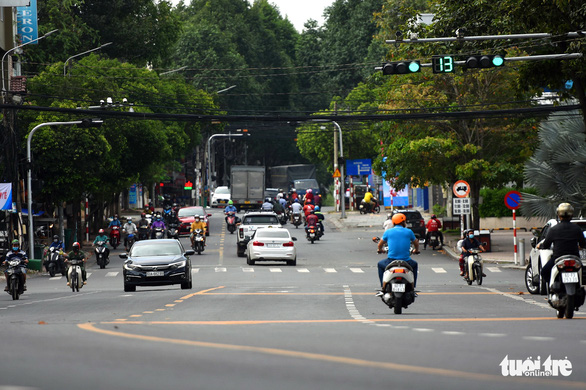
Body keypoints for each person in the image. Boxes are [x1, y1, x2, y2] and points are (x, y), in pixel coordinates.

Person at [537, 203, 586, 295]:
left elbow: (546, 244)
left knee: (544, 272)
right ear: (571, 215)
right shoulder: (577, 229)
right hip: (574, 257)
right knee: (582, 272)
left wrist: (541, 246)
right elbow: (583, 244)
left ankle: (553, 287)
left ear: (559, 215)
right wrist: (579, 246)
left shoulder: (553, 229)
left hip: (558, 258)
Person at [376, 213, 420, 295]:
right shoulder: (409, 232)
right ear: (403, 222)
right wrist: (416, 250)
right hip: (406, 261)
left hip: (391, 261)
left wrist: (379, 250)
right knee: (415, 265)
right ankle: (413, 288)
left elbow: (380, 244)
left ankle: (383, 287)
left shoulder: (388, 232)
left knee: (380, 265)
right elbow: (416, 243)